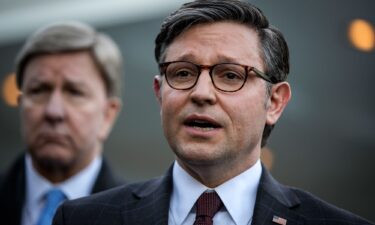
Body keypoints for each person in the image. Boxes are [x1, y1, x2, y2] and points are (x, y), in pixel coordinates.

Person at [53, 1, 374, 225]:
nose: (201, 93)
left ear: (274, 102)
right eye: (181, 73)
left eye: (230, 75)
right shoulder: (84, 218)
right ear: (159, 93)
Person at [0, 21, 126, 225]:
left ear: (108, 116)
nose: (53, 111)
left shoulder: (140, 216)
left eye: (74, 92)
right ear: (21, 105)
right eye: (39, 90)